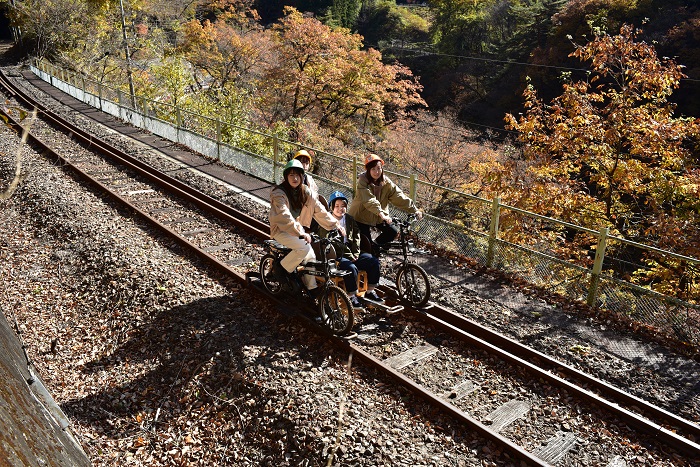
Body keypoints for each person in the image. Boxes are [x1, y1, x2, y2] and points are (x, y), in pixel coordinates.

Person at [269, 159, 345, 298]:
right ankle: (281, 268)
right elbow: (284, 215)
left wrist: (336, 224)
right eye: (291, 175)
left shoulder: (306, 192)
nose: (295, 178)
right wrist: (301, 233)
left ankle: (311, 287)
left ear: (303, 177)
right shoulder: (278, 193)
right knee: (304, 248)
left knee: (311, 256)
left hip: (297, 229)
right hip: (281, 229)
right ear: (286, 177)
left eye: (298, 175)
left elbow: (319, 210)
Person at [347, 153, 423, 256]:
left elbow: (399, 196)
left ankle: (376, 245)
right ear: (368, 170)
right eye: (373, 169)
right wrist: (382, 214)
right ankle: (369, 259)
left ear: (382, 168)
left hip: (379, 216)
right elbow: (369, 200)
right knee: (366, 245)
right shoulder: (362, 182)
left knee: (392, 232)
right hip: (361, 216)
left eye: (379, 168)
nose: (376, 172)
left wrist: (414, 210)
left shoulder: (386, 183)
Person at [319, 191, 384, 307]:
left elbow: (356, 235)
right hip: (336, 255)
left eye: (343, 206)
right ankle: (351, 296)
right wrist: (350, 255)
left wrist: (356, 252)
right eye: (337, 206)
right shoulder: (326, 220)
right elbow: (330, 241)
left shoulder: (349, 219)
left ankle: (369, 291)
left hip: (352, 252)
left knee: (373, 262)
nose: (340, 209)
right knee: (351, 268)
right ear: (331, 207)